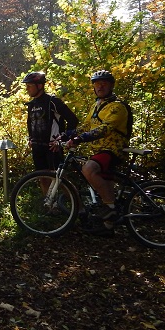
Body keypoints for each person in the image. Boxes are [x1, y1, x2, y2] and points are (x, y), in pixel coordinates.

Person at [65, 69, 132, 235]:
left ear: (111, 86)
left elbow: (105, 128)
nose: (100, 87)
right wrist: (67, 134)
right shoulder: (97, 105)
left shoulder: (117, 107)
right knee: (106, 184)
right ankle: (108, 227)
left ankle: (111, 208)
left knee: (88, 169)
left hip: (113, 150)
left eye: (104, 83)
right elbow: (87, 125)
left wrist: (81, 138)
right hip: (99, 150)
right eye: (97, 84)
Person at [22, 71, 78, 174]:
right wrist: (30, 138)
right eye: (26, 86)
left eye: (29, 86)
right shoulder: (31, 104)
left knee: (57, 178)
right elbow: (30, 123)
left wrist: (62, 138)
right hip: (37, 147)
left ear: (39, 86)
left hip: (52, 147)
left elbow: (72, 120)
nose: (27, 89)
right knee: (42, 177)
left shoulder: (52, 101)